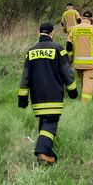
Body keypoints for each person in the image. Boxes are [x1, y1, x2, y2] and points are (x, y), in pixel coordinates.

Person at [18, 23, 78, 164]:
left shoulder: (30, 51)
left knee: (44, 123)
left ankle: (48, 157)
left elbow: (25, 77)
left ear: (39, 33)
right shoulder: (58, 49)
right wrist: (73, 91)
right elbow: (67, 74)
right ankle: (42, 152)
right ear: (52, 33)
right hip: (54, 96)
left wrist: (22, 98)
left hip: (37, 98)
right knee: (50, 123)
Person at [66, 11, 93, 103]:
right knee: (88, 84)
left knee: (83, 82)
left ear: (82, 18)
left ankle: (82, 99)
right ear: (91, 18)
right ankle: (84, 105)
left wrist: (70, 59)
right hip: (89, 63)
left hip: (78, 63)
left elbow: (68, 45)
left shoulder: (74, 29)